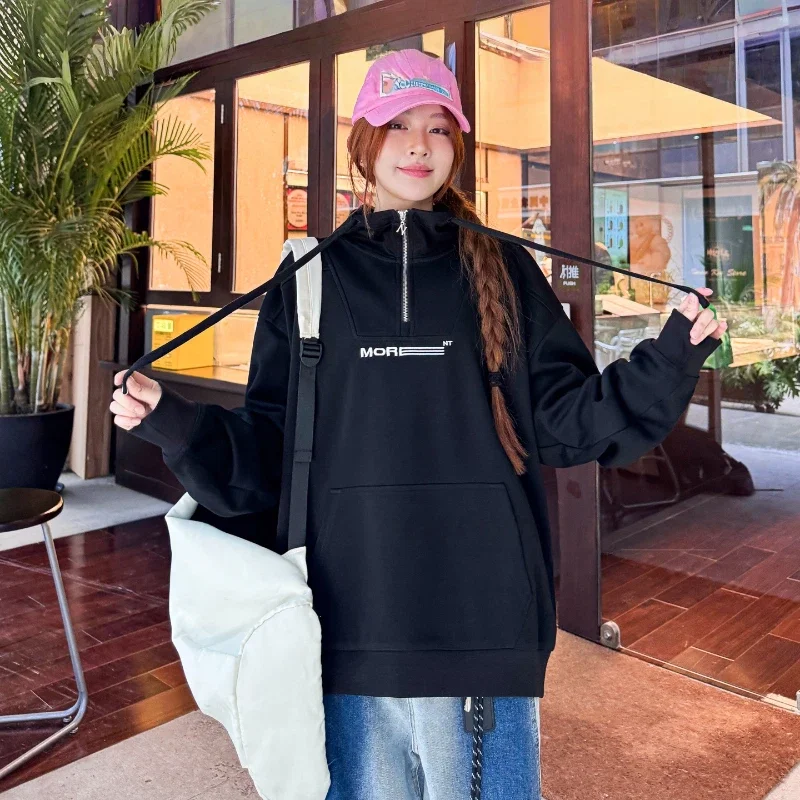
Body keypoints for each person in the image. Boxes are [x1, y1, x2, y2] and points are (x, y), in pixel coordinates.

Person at [109, 49, 727, 800]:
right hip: (346, 623)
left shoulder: (504, 268)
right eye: (397, 123)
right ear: (364, 142)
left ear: (456, 147)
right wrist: (172, 420)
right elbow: (268, 450)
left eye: (438, 127)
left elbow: (565, 423)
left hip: (483, 619)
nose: (418, 144)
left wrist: (669, 356)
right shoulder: (308, 277)